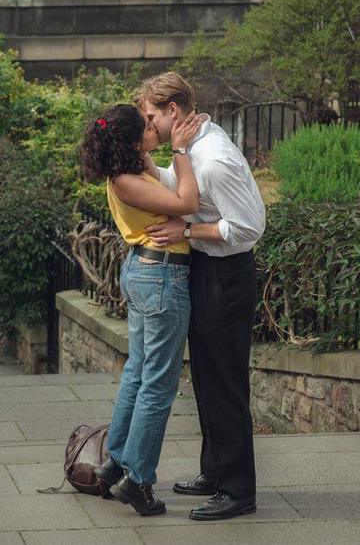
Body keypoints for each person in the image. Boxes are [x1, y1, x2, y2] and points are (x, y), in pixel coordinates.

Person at [138, 72, 266, 521]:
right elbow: (178, 182)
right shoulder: (193, 144)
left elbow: (249, 226)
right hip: (208, 269)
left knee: (225, 384)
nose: (147, 125)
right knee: (208, 380)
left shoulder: (213, 157)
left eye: (151, 117)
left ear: (173, 111)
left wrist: (187, 230)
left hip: (227, 276)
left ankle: (237, 491)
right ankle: (214, 473)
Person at [80, 103, 202, 517]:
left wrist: (150, 148)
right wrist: (181, 150)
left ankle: (116, 462)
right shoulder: (127, 181)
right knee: (159, 383)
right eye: (149, 127)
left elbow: (151, 166)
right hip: (161, 277)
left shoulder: (130, 169)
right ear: (132, 142)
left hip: (146, 272)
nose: (157, 129)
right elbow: (186, 201)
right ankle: (139, 480)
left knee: (138, 372)